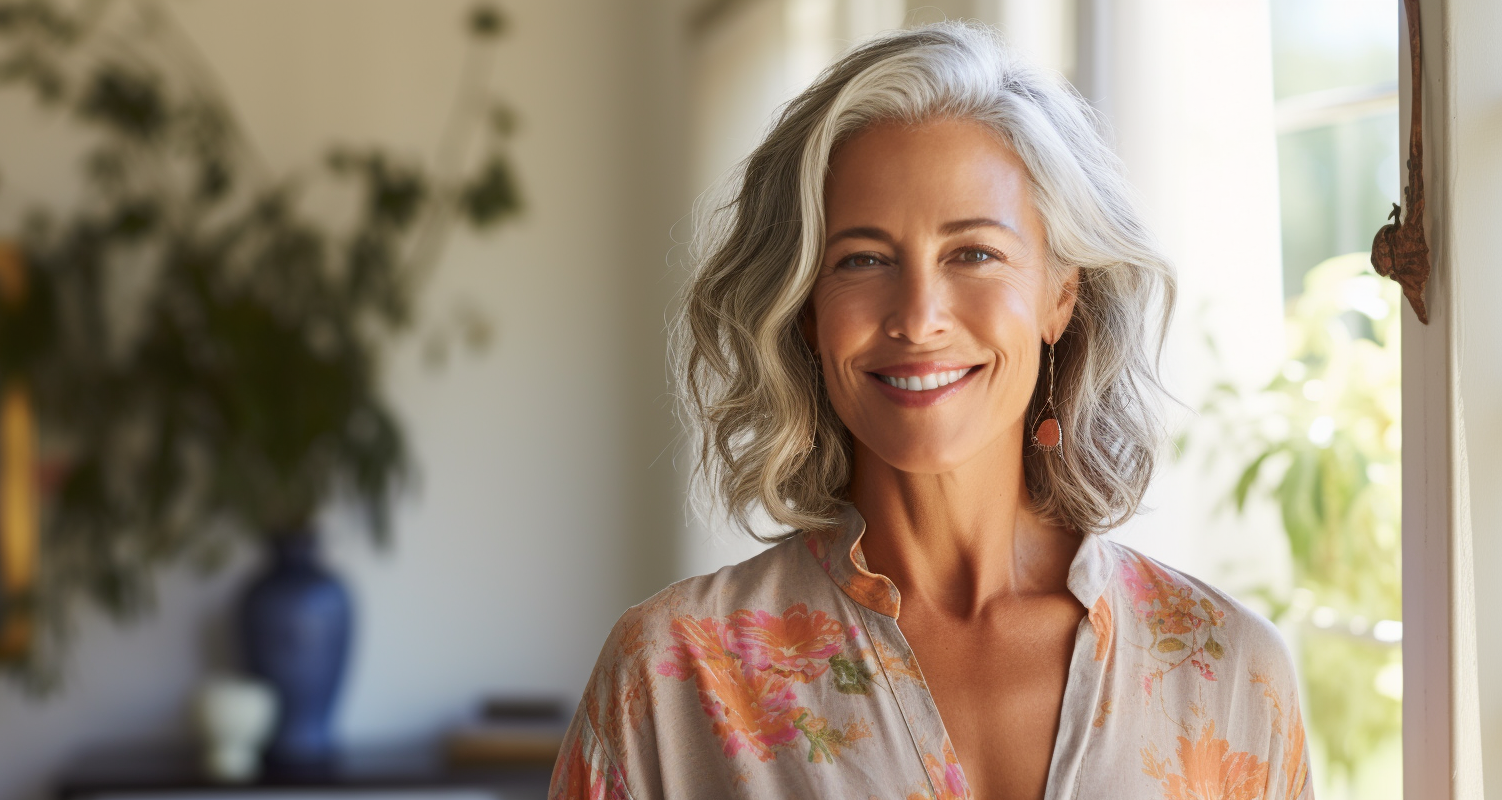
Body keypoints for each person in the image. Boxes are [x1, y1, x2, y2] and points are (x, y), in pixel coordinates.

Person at [551, 21, 1311, 800]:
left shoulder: (1224, 671)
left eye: (973, 253)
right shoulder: (673, 676)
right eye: (863, 260)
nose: (918, 317)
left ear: (1060, 293)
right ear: (806, 310)